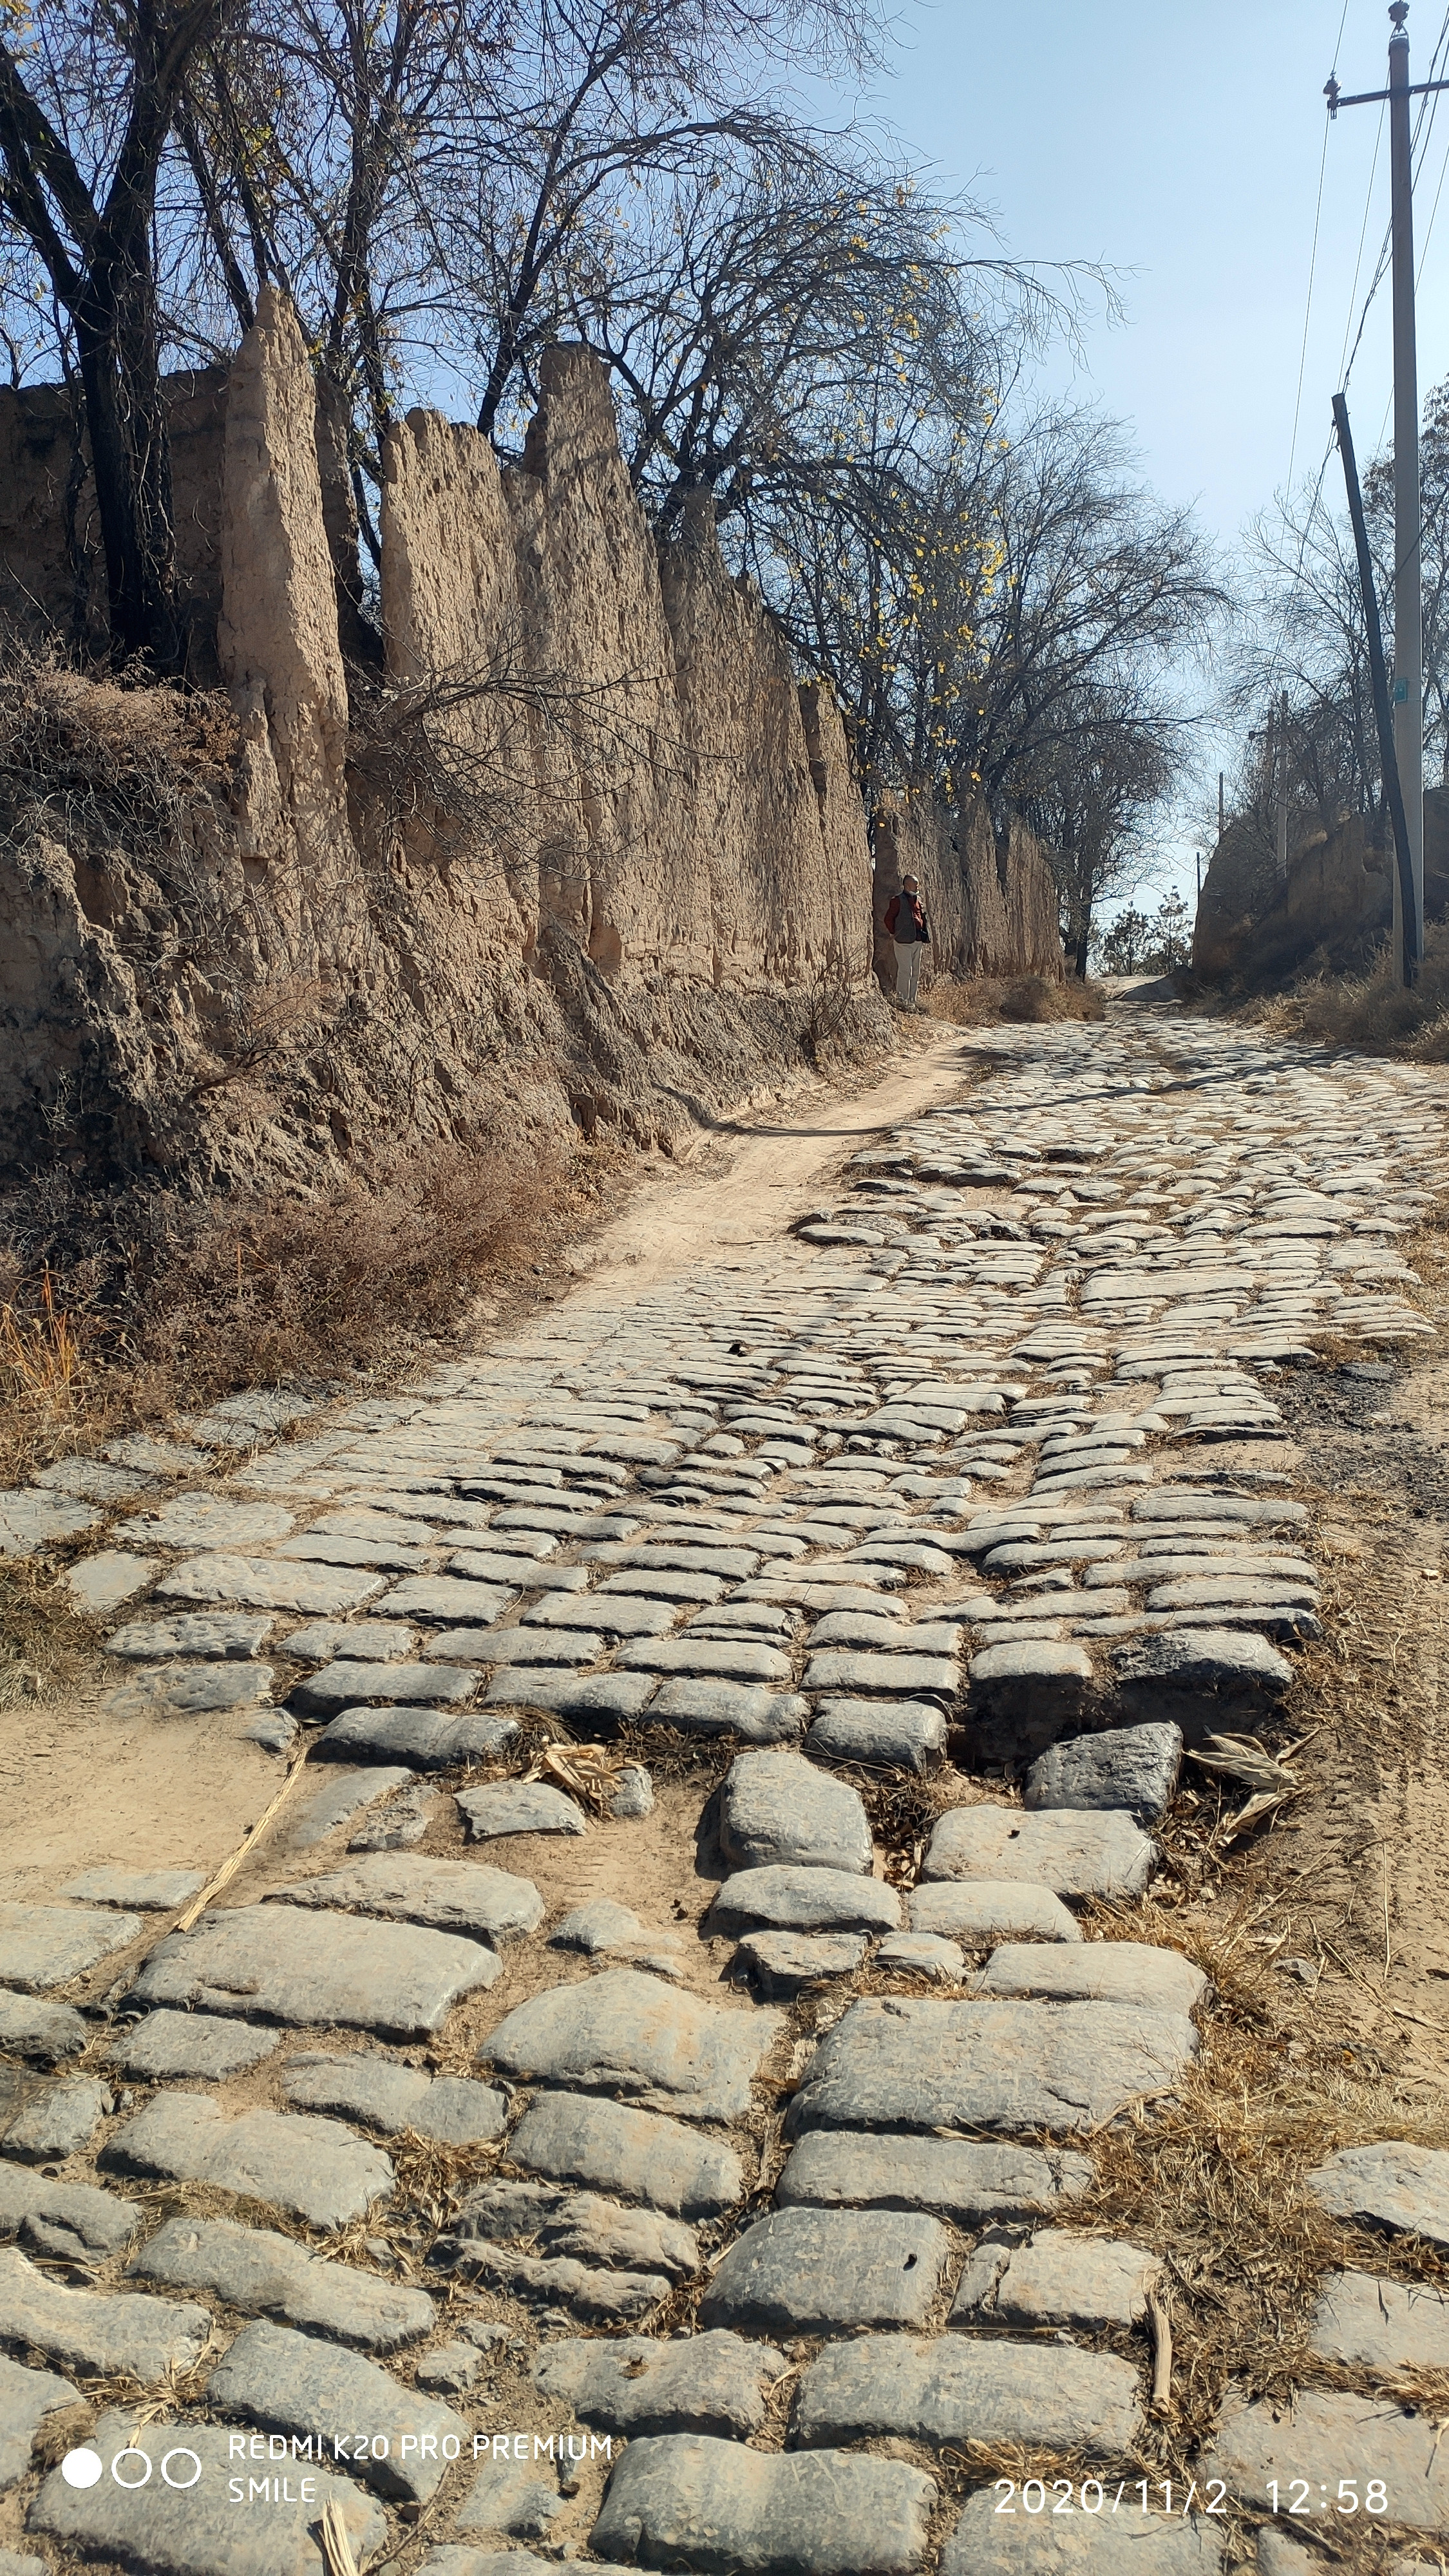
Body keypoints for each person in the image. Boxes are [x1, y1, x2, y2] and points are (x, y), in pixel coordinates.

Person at [884, 873, 930, 1008]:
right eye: (916, 883)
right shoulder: (897, 900)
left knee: (915, 971)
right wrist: (895, 933)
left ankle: (912, 1001)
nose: (918, 886)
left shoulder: (918, 900)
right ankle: (902, 1001)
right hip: (903, 941)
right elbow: (888, 919)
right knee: (905, 971)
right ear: (908, 884)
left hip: (917, 940)